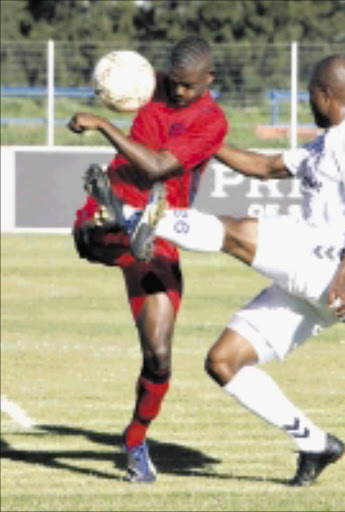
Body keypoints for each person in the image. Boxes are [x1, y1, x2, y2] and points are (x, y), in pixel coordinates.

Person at [131, 55, 345, 486]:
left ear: (325, 96)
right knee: (224, 361)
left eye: (309, 94)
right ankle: (316, 444)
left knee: (238, 232)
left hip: (331, 267)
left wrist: (342, 279)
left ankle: (150, 218)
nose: (307, 101)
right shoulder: (327, 143)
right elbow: (266, 168)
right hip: (318, 275)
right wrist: (205, 145)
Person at [67, 35, 228, 483]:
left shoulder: (212, 122)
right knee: (93, 232)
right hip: (120, 200)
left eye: (187, 87)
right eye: (172, 84)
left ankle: (135, 440)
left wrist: (102, 124)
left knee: (159, 357)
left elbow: (158, 167)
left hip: (161, 229)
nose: (176, 93)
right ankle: (105, 223)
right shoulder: (147, 83)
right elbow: (123, 82)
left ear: (209, 79)